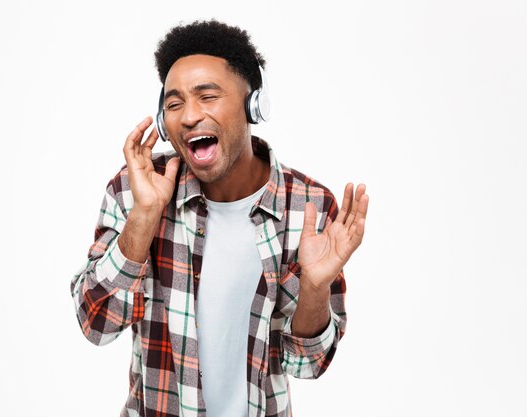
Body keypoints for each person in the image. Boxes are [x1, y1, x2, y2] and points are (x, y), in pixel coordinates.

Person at [70, 20, 369, 417]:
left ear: (253, 106)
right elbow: (97, 325)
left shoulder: (307, 208)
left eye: (207, 96)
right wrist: (144, 217)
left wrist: (314, 287)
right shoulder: (134, 190)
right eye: (174, 104)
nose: (190, 116)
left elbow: (308, 365)